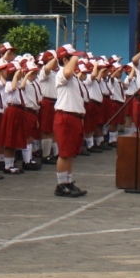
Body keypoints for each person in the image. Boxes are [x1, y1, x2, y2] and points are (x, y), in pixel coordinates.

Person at [46, 48, 88, 198]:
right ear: (65, 60)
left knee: (70, 153)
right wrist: (74, 59)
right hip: (65, 116)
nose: (76, 60)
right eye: (73, 58)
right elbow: (68, 72)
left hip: (75, 117)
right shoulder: (61, 73)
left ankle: (68, 182)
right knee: (64, 153)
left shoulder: (74, 77)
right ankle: (61, 184)